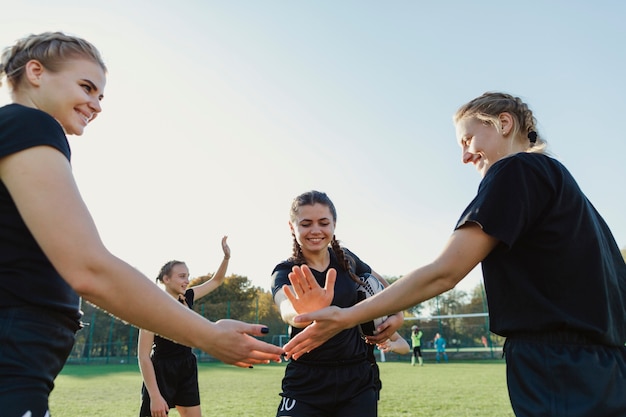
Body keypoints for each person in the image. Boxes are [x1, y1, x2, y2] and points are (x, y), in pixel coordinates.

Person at [283, 92, 626, 417]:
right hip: (607, 365)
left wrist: (346, 317)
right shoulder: (565, 186)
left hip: (559, 364)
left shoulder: (516, 170)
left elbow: (444, 272)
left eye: (467, 140)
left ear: (503, 123)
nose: (464, 156)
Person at [0, 32, 282, 417]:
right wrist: (209, 336)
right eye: (86, 87)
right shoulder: (29, 124)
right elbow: (89, 269)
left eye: (101, 96)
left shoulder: (15, 132)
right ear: (36, 72)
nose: (96, 104)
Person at [271, 190, 403, 417]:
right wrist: (304, 311)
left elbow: (384, 286)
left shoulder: (347, 259)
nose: (315, 230)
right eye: (306, 223)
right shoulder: (285, 271)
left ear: (334, 225)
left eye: (323, 222)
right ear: (292, 227)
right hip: (306, 379)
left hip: (357, 379)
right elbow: (286, 307)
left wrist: (397, 312)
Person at [138, 237, 231, 417]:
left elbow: (216, 281)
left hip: (187, 366)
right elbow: (143, 356)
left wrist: (226, 258)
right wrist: (155, 396)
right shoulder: (152, 308)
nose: (187, 280)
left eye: (188, 276)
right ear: (166, 279)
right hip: (161, 371)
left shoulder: (188, 297)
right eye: (182, 276)